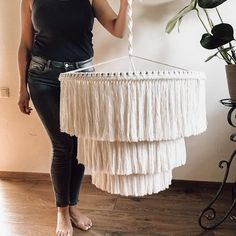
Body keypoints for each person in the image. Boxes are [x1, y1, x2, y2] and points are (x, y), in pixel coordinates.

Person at [17, 0, 128, 235]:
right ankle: (62, 211)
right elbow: (25, 45)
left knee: (79, 147)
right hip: (42, 77)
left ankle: (72, 206)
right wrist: (21, 87)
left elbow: (118, 30)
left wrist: (125, 3)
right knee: (62, 144)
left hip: (82, 78)